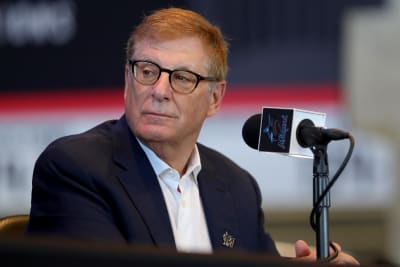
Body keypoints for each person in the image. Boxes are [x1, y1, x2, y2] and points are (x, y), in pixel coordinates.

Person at [26, 7, 359, 265]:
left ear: (215, 98)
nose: (159, 90)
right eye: (147, 71)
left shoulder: (236, 186)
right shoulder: (76, 169)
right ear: (128, 79)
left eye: (182, 78)